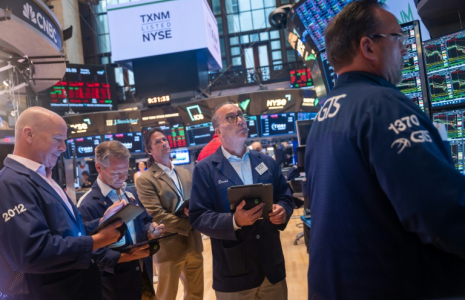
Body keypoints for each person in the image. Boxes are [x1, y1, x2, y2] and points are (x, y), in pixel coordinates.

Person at [305, 1, 465, 299]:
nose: (405, 49)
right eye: (398, 38)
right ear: (368, 47)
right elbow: (437, 210)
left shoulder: (324, 114)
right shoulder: (382, 105)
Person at [0, 107, 124, 300]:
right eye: (57, 139)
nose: (63, 147)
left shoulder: (43, 177)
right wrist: (97, 241)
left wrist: (101, 222)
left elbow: (66, 232)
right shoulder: (11, 183)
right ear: (29, 134)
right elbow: (32, 251)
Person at [189, 102, 294, 300]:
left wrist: (283, 210)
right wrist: (234, 221)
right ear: (218, 131)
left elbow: (285, 196)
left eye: (240, 115)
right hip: (234, 274)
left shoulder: (266, 162)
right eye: (231, 117)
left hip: (272, 270)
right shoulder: (205, 170)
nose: (240, 120)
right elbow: (198, 216)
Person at [78, 141, 164, 300]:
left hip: (143, 272)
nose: (122, 178)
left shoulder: (129, 192)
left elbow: (144, 219)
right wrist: (127, 256)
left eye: (125, 172)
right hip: (114, 284)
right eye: (116, 173)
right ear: (99, 168)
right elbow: (89, 251)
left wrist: (150, 230)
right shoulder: (87, 204)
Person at [136, 128, 204, 300]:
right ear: (149, 150)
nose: (164, 143)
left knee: (196, 294)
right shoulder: (146, 180)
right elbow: (156, 214)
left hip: (193, 243)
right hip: (169, 246)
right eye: (157, 141)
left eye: (164, 139)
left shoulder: (185, 173)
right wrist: (190, 223)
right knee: (167, 295)